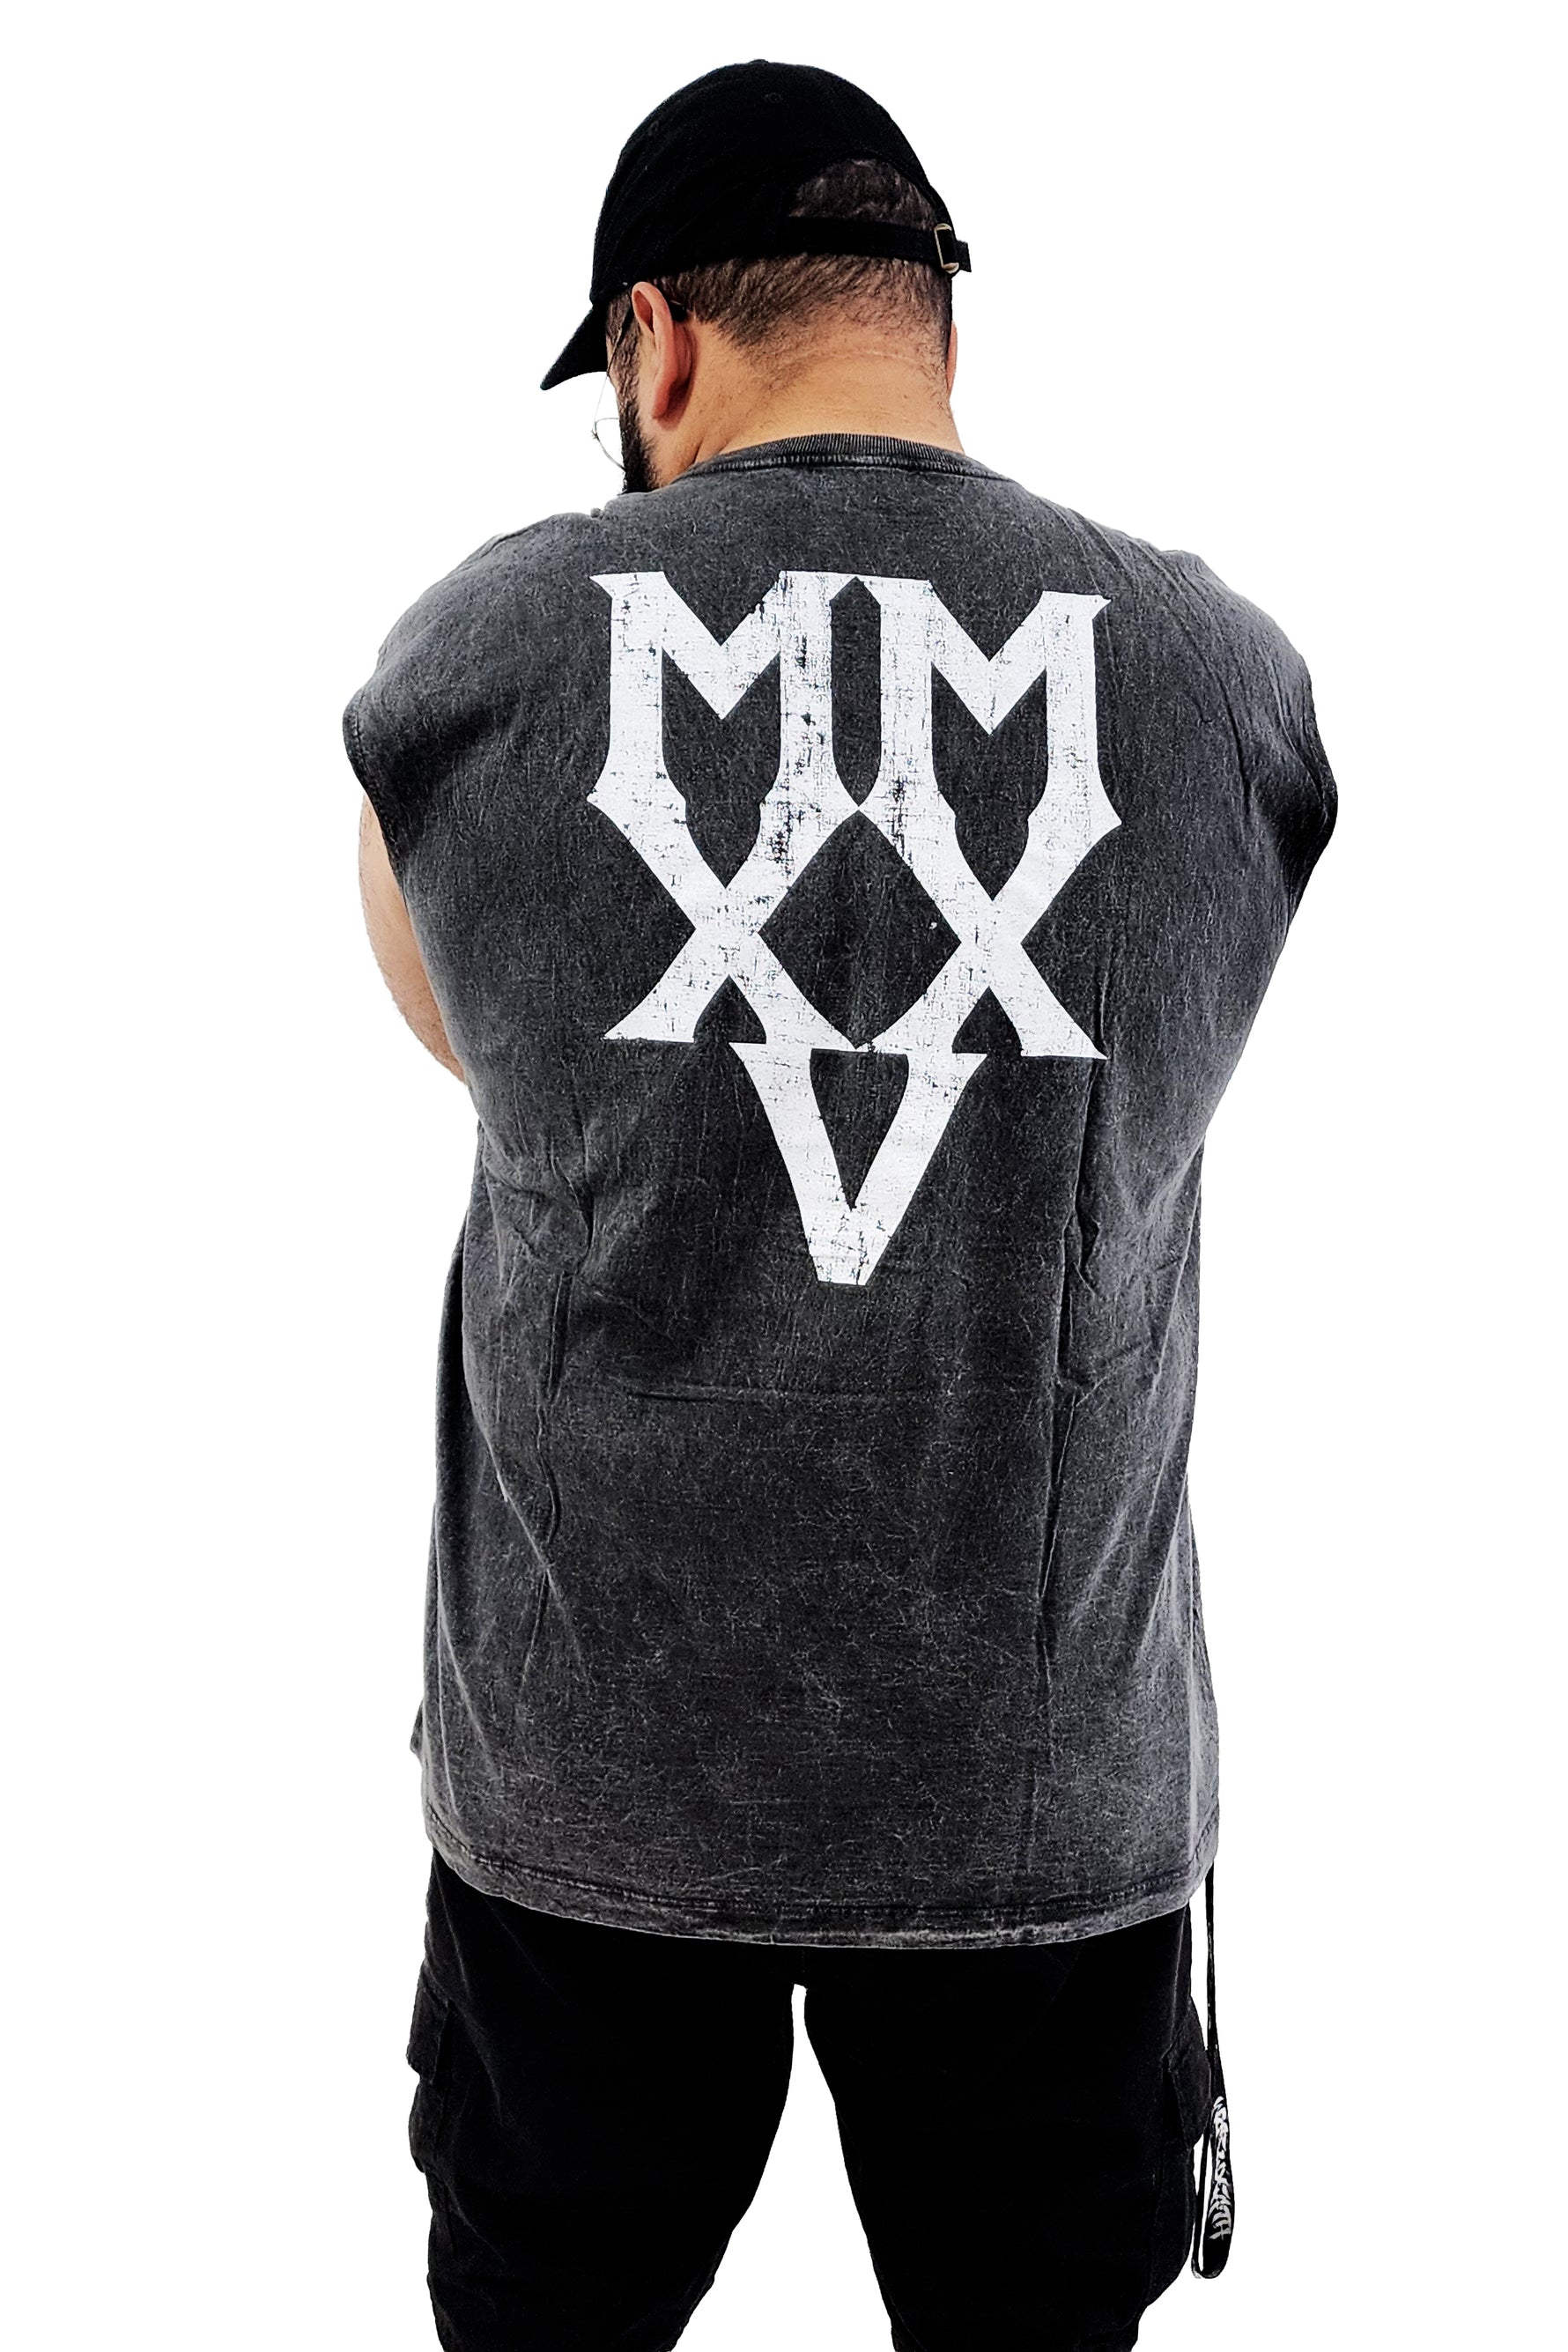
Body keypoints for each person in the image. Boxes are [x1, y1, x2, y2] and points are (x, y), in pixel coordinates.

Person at [344, 58, 1335, 2352]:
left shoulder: (480, 661)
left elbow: (470, 1038)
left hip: (590, 1786)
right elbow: (1160, 1080)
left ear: (656, 341)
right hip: (1039, 1798)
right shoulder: (1223, 686)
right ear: (935, 326)